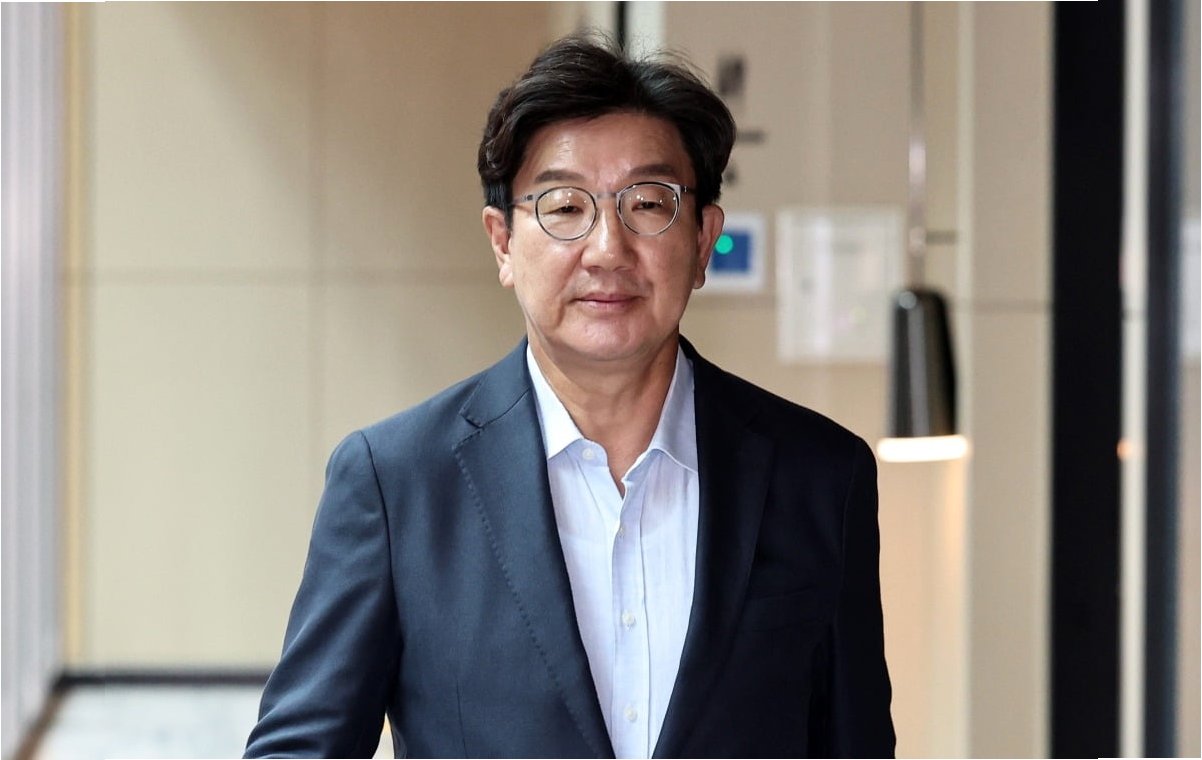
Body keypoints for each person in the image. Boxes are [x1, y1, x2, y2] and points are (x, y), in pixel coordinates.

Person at [245, 33, 894, 759]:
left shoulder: (819, 476)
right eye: (563, 207)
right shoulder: (398, 482)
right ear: (502, 242)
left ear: (703, 239)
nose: (608, 248)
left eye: (648, 204)